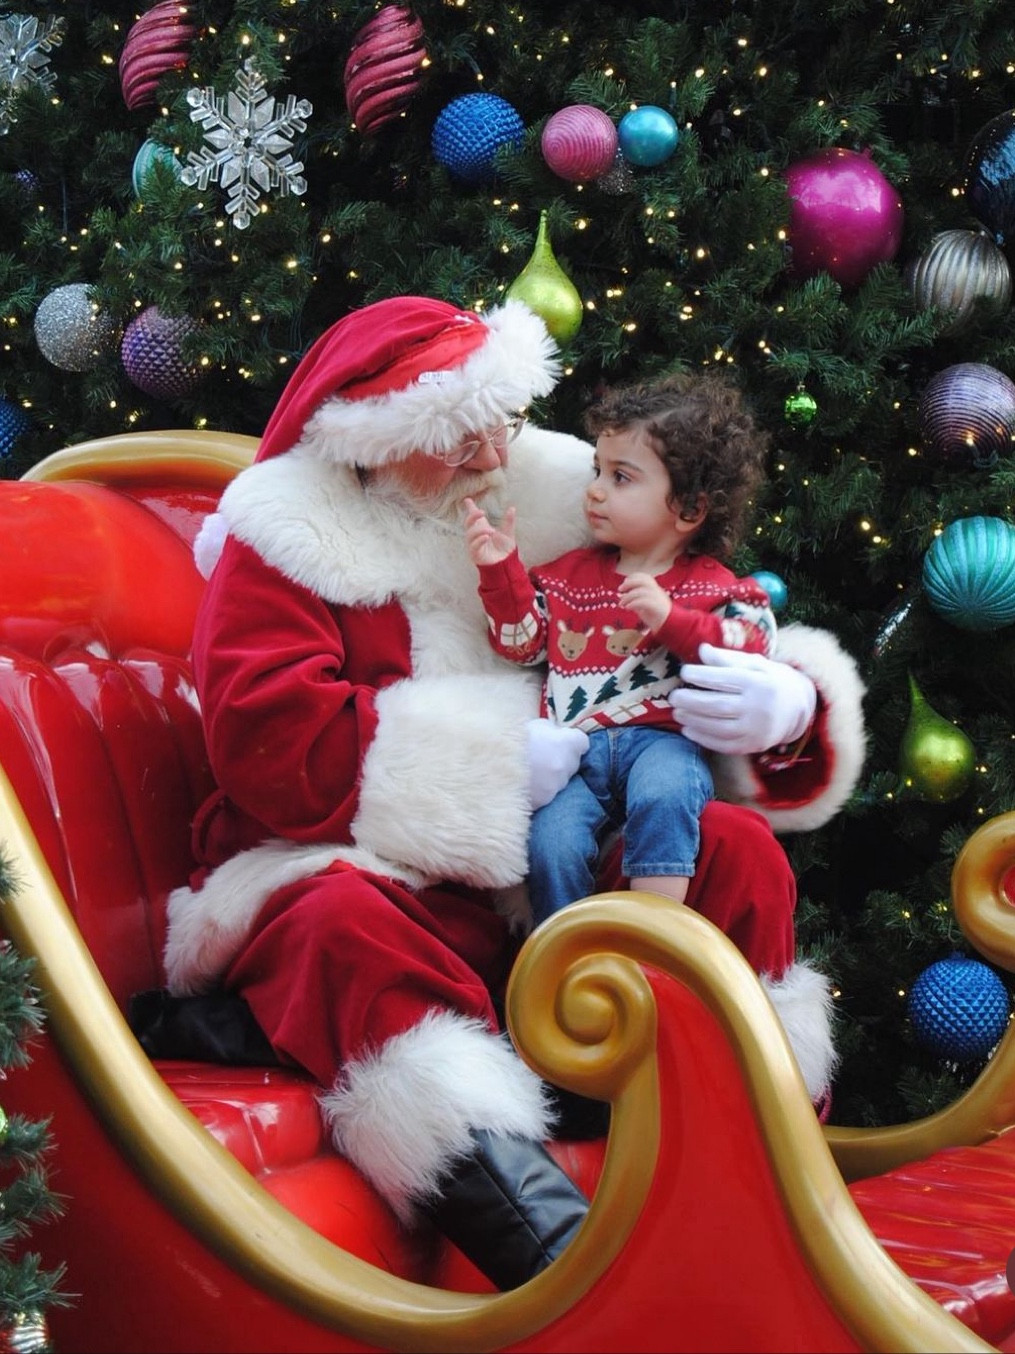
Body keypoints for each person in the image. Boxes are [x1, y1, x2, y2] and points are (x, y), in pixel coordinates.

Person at [165, 295, 866, 1291]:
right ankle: (567, 1274)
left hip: (550, 860)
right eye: (455, 441)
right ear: (376, 442)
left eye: (497, 424)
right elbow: (270, 746)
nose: (489, 456)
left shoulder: (541, 485)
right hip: (349, 860)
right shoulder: (285, 539)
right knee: (336, 923)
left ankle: (775, 1193)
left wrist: (782, 705)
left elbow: (697, 582)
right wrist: (500, 761)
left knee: (731, 853)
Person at [464, 371, 777, 923]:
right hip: (575, 754)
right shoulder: (565, 576)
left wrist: (673, 621)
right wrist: (500, 572)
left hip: (660, 742)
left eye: (622, 477)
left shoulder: (712, 585)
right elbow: (524, 645)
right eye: (598, 470)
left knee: (666, 795)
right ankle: (561, 953)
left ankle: (654, 932)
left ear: (688, 510)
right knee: (551, 843)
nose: (596, 489)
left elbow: (750, 645)